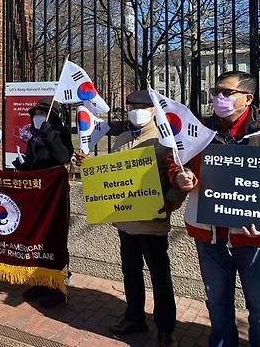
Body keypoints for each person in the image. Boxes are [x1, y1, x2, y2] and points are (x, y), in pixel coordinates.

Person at [170, 71, 260, 347]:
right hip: (209, 236)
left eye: (227, 92)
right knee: (217, 303)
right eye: (216, 91)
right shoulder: (198, 130)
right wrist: (180, 178)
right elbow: (176, 162)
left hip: (255, 238)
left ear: (248, 97)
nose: (219, 97)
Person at [75, 91, 184, 347]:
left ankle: (166, 328)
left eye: (142, 107)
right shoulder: (122, 138)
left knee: (159, 274)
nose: (135, 111)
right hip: (125, 222)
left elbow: (177, 176)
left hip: (152, 222)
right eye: (131, 107)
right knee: (130, 271)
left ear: (154, 110)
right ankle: (134, 317)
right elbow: (112, 174)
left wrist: (170, 202)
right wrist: (88, 164)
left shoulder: (165, 140)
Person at [13, 98, 74, 308]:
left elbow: (63, 156)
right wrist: (21, 166)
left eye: (42, 113)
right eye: (35, 114)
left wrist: (48, 132)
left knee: (55, 241)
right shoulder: (34, 138)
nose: (37, 117)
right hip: (38, 198)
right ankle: (40, 280)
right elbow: (32, 165)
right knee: (37, 240)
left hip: (55, 199)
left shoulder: (60, 134)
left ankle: (58, 286)